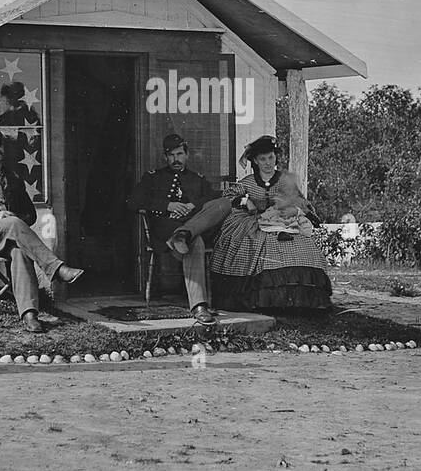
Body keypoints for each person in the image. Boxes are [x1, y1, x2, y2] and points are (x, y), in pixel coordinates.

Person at [0, 128, 84, 333]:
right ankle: (56, 268)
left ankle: (29, 314)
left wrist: (12, 216)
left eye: (0, 145)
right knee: (12, 223)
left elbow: (30, 215)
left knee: (20, 252)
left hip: (8, 236)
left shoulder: (13, 177)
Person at [209, 135, 333, 311]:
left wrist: (291, 207)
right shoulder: (248, 182)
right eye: (262, 159)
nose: (267, 163)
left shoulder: (284, 180)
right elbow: (228, 196)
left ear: (275, 157)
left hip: (284, 222)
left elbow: (300, 201)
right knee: (248, 244)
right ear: (255, 161)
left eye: (271, 157)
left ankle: (299, 300)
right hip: (251, 222)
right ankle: (261, 300)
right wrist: (245, 201)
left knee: (303, 247)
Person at [126, 133, 232, 327]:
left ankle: (185, 233)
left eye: (180, 154)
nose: (176, 159)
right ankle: (199, 307)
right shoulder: (153, 178)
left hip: (189, 228)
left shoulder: (197, 179)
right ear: (166, 157)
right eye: (172, 155)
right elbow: (133, 202)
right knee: (196, 242)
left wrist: (193, 205)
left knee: (223, 203)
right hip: (165, 232)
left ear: (187, 155)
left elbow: (213, 199)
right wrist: (168, 206)